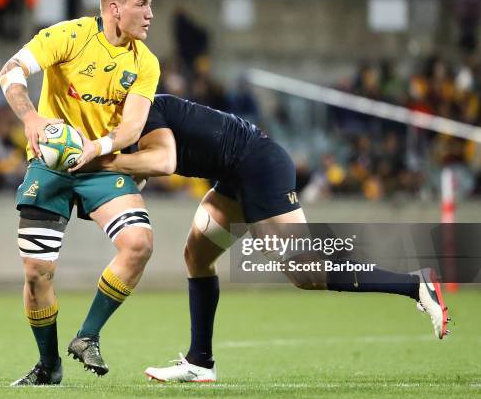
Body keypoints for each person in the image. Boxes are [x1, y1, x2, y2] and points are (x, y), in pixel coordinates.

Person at [88, 94, 451, 382]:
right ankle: (201, 361)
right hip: (233, 175)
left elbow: (162, 162)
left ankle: (414, 284)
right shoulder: (128, 127)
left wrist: (96, 163)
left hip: (257, 165)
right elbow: (136, 177)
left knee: (306, 272)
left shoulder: (145, 111)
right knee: (196, 256)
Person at [0, 0, 160, 386]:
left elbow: (132, 128)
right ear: (114, 8)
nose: (150, 15)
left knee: (139, 243)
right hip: (49, 164)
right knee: (36, 273)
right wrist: (31, 117)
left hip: (101, 165)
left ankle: (87, 336)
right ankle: (48, 365)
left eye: (150, 5)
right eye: (141, 5)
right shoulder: (69, 36)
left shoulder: (145, 62)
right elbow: (11, 72)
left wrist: (99, 147)